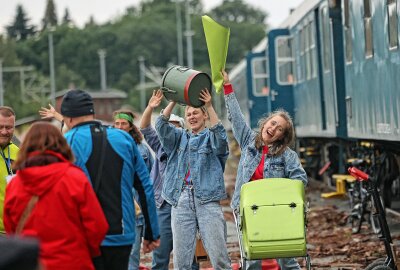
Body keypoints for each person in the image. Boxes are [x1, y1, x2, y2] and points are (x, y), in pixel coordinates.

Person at [60, 89, 160, 270]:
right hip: (122, 234)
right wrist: (152, 233)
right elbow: (145, 187)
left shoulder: (66, 142)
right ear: (92, 113)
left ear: (68, 118)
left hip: (85, 236)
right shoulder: (124, 138)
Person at [222, 70, 308, 270]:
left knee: (286, 258)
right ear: (266, 123)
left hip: (276, 209)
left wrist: (281, 193)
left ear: (281, 136)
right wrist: (228, 87)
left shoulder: (287, 156)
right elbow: (235, 117)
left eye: (280, 129)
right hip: (249, 209)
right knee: (252, 258)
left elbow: (300, 180)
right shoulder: (248, 141)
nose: (274, 129)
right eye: (273, 123)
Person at [3, 122, 109, 270]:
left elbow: (11, 228)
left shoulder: (15, 184)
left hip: (32, 262)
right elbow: (97, 226)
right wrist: (86, 251)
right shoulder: (75, 178)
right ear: (61, 145)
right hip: (72, 261)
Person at [155, 89, 232, 269]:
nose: (191, 116)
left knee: (219, 255)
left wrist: (209, 106)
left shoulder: (211, 138)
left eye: (195, 112)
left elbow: (221, 138)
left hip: (207, 199)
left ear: (204, 116)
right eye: (188, 114)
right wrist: (173, 101)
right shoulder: (178, 137)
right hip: (180, 199)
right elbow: (160, 125)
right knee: (182, 260)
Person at [140, 90, 199, 270]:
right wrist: (151, 107)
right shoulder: (159, 146)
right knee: (161, 254)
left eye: (175, 126)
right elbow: (144, 127)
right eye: (168, 127)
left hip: (187, 202)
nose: (170, 131)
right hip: (164, 204)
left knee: (189, 254)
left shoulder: (191, 144)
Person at [112, 109, 154, 270]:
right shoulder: (109, 147)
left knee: (133, 253)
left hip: (139, 209)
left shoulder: (142, 150)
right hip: (119, 209)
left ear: (130, 126)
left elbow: (151, 177)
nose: (120, 126)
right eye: (117, 124)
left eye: (123, 123)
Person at [0, 106, 19, 235]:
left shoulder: (19, 152)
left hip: (14, 232)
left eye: (9, 127)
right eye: (0, 127)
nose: (4, 132)